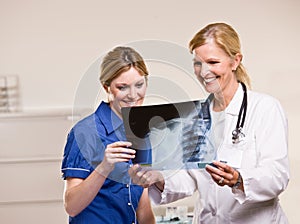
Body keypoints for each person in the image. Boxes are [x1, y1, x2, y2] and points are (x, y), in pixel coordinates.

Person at [129, 22, 290, 223]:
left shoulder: (265, 108)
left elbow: (277, 176)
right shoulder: (194, 116)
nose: (204, 72)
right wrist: (158, 179)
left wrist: (238, 179)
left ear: (235, 61)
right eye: (198, 63)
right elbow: (188, 178)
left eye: (213, 62)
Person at [61, 46, 155, 224]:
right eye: (122, 87)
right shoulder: (85, 132)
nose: (133, 95)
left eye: (139, 85)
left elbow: (142, 203)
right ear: (107, 87)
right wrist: (104, 167)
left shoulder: (142, 130)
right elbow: (71, 206)